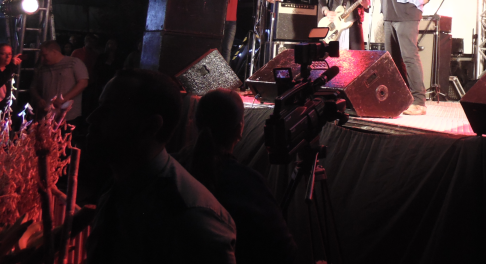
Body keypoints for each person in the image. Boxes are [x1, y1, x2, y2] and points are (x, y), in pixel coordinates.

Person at [85, 70, 237, 264]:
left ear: (151, 126)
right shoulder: (119, 183)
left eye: (109, 111)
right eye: (99, 107)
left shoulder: (192, 217)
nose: (91, 118)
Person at [185, 89, 296, 264]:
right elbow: (285, 252)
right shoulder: (248, 184)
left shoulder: (173, 167)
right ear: (240, 128)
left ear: (195, 123)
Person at [29, 40, 89, 123]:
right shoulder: (42, 68)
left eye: (44, 55)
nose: (42, 59)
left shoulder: (74, 63)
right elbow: (33, 87)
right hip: (46, 116)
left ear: (54, 52)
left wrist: (63, 99)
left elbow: (83, 83)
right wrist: (38, 99)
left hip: (68, 116)